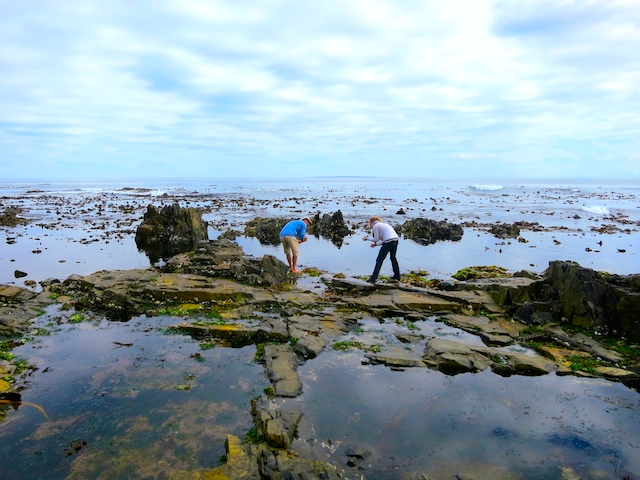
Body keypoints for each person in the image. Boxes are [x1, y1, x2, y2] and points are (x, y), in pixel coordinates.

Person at [362, 216, 400, 283]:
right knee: (393, 258)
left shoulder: (376, 226)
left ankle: (373, 278)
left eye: (369, 223)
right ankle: (397, 276)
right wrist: (376, 244)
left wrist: (366, 239)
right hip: (395, 240)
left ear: (372, 221)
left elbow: (376, 239)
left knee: (379, 260)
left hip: (389, 242)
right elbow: (385, 240)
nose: (369, 225)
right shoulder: (384, 224)